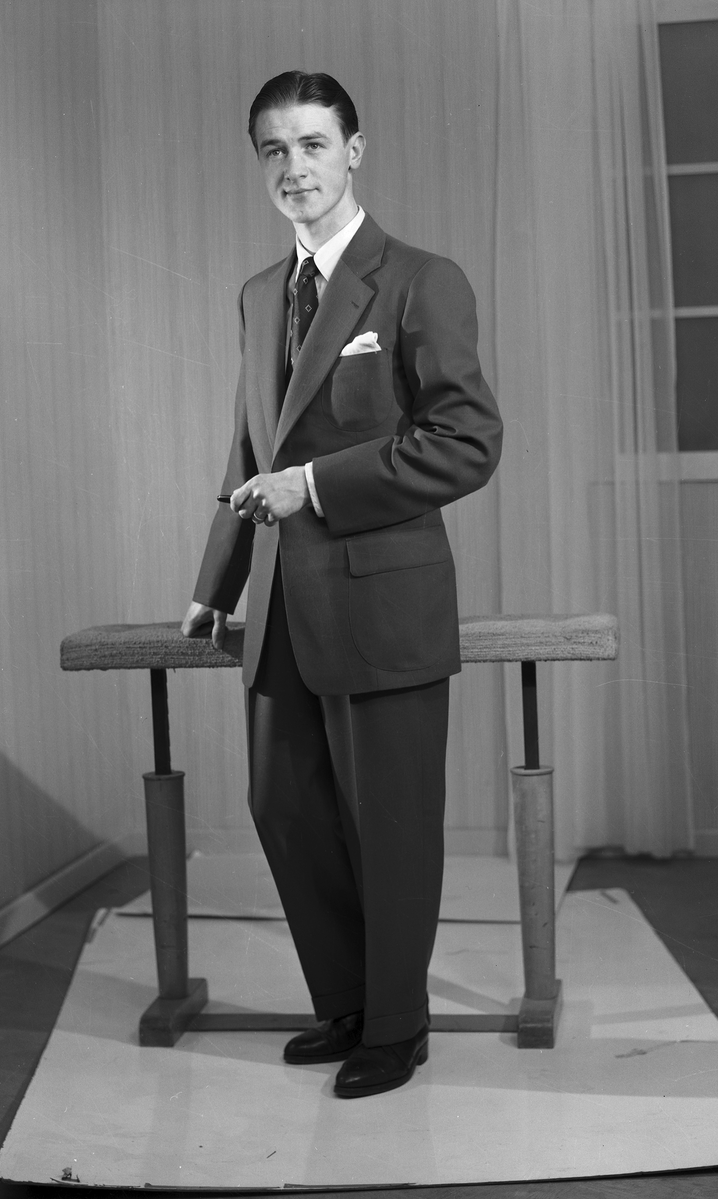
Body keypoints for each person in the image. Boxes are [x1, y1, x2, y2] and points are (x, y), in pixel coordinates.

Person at [182, 70, 502, 1098]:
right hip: (280, 602)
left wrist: (314, 485)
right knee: (283, 806)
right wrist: (218, 579)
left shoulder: (420, 280)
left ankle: (397, 1029)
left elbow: (466, 442)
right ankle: (349, 1004)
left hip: (382, 599)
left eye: (312, 144)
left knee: (389, 821)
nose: (294, 167)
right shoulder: (258, 294)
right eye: (273, 150)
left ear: (353, 151)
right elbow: (250, 450)